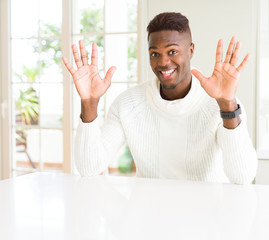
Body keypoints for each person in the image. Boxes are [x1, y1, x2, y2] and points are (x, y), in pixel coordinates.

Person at [62, 12, 258, 184]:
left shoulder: (223, 104)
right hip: (148, 216)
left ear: (190, 51)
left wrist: (227, 104)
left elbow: (242, 176)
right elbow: (88, 169)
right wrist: (89, 102)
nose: (163, 62)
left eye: (172, 51)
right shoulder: (128, 104)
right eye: (155, 53)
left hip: (206, 216)